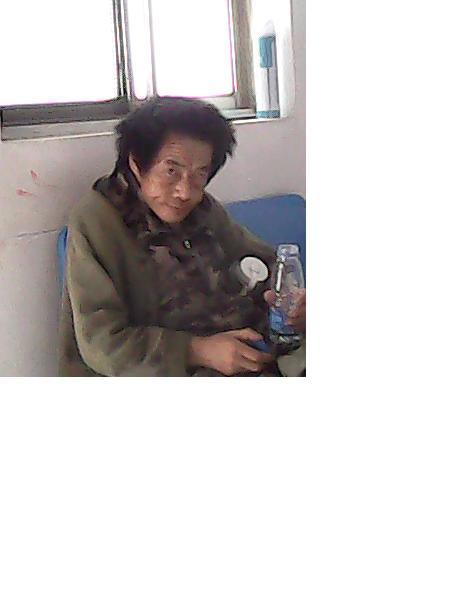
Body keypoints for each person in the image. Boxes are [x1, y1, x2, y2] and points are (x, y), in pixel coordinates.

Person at [58, 97, 306, 376]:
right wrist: (197, 350)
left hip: (248, 352)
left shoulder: (203, 210)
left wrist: (294, 303)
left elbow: (266, 263)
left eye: (200, 173)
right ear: (137, 163)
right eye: (171, 171)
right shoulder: (96, 221)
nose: (185, 192)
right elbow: (103, 343)